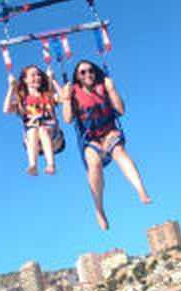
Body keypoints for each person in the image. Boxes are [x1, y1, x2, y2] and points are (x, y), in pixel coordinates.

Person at [62, 60, 151, 230]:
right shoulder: (73, 92)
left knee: (119, 152)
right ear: (77, 77)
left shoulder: (104, 86)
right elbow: (67, 119)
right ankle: (99, 209)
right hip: (90, 139)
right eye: (82, 72)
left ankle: (141, 191)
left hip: (109, 132)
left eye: (90, 71)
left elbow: (121, 110)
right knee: (94, 164)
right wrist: (66, 98)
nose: (88, 74)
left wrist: (112, 89)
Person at [3, 65, 63, 176]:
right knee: (33, 130)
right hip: (32, 140)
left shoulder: (48, 95)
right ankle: (33, 165)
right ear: (25, 80)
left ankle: (51, 164)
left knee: (42, 130)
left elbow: (64, 98)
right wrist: (11, 88)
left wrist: (53, 80)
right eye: (33, 75)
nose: (37, 77)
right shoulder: (23, 100)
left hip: (53, 137)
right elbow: (6, 109)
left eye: (38, 75)